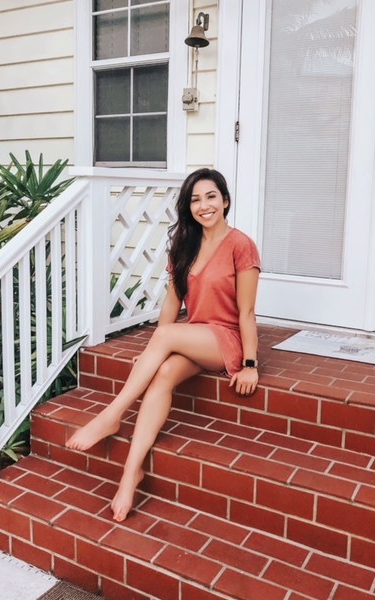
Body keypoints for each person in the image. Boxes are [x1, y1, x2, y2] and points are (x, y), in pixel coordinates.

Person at [66, 168, 261, 522]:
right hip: (195, 335)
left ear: (225, 201)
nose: (204, 205)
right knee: (164, 373)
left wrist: (250, 364)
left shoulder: (241, 245)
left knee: (166, 336)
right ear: (189, 207)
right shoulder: (185, 246)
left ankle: (111, 416)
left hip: (227, 339)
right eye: (195, 200)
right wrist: (154, 355)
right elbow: (172, 304)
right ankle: (131, 475)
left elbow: (247, 311)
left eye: (211, 197)